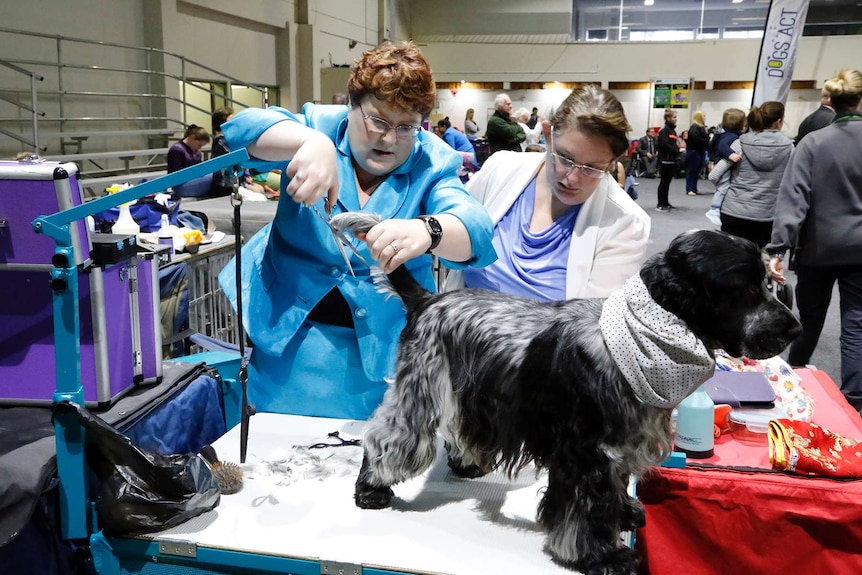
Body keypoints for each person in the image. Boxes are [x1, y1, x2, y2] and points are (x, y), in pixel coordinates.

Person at [217, 41, 495, 420]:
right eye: (378, 121)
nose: (389, 138)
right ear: (351, 104)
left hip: (384, 353)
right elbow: (240, 129)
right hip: (287, 338)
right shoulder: (319, 126)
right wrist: (309, 142)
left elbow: (475, 228)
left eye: (406, 127)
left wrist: (428, 230)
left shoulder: (432, 160)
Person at [444, 85, 650, 301]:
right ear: (547, 133)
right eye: (564, 158)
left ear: (612, 162)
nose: (572, 178)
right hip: (456, 328)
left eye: (592, 168)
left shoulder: (626, 222)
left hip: (550, 336)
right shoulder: (500, 168)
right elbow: (454, 232)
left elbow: (591, 324)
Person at [767, 69, 862, 412]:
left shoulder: (813, 142)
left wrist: (778, 248)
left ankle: (793, 380)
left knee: (809, 320)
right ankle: (853, 402)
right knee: (856, 325)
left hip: (817, 250)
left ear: (832, 102)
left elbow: (793, 199)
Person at [712, 101, 793, 248]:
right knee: (761, 260)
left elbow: (714, 174)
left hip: (734, 210)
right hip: (768, 213)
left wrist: (723, 188)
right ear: (779, 121)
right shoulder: (789, 147)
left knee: (730, 259)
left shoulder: (740, 143)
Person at [705, 108, 747, 226]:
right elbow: (722, 146)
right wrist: (731, 155)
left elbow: (711, 146)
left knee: (722, 187)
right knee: (723, 187)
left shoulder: (722, 134)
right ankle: (714, 209)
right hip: (722, 164)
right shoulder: (730, 136)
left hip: (718, 161)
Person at [167, 125, 213, 198]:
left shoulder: (196, 151)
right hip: (180, 186)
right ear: (192, 138)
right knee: (214, 177)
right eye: (199, 145)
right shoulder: (176, 150)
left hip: (193, 180)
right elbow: (175, 176)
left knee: (218, 174)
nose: (200, 148)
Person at [656, 109, 680, 211]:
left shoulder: (673, 131)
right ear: (668, 118)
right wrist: (677, 150)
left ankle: (666, 202)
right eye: (674, 117)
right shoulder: (664, 131)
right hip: (664, 160)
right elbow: (664, 145)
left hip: (672, 161)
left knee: (667, 182)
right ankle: (660, 203)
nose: (676, 119)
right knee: (663, 182)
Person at [684, 110, 709, 196]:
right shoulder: (694, 127)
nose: (705, 118)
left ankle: (694, 188)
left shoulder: (701, 127)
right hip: (693, 152)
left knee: (696, 171)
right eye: (704, 116)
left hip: (700, 151)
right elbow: (696, 139)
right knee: (691, 171)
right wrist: (707, 139)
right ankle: (689, 189)